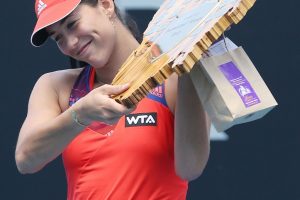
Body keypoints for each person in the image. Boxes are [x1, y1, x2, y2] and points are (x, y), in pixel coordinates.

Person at [15, 0, 211, 199]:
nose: (70, 43)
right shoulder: (56, 87)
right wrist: (80, 114)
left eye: (72, 24)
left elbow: (190, 168)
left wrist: (189, 71)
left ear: (106, 5)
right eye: (58, 38)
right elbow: (26, 160)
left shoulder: (174, 79)